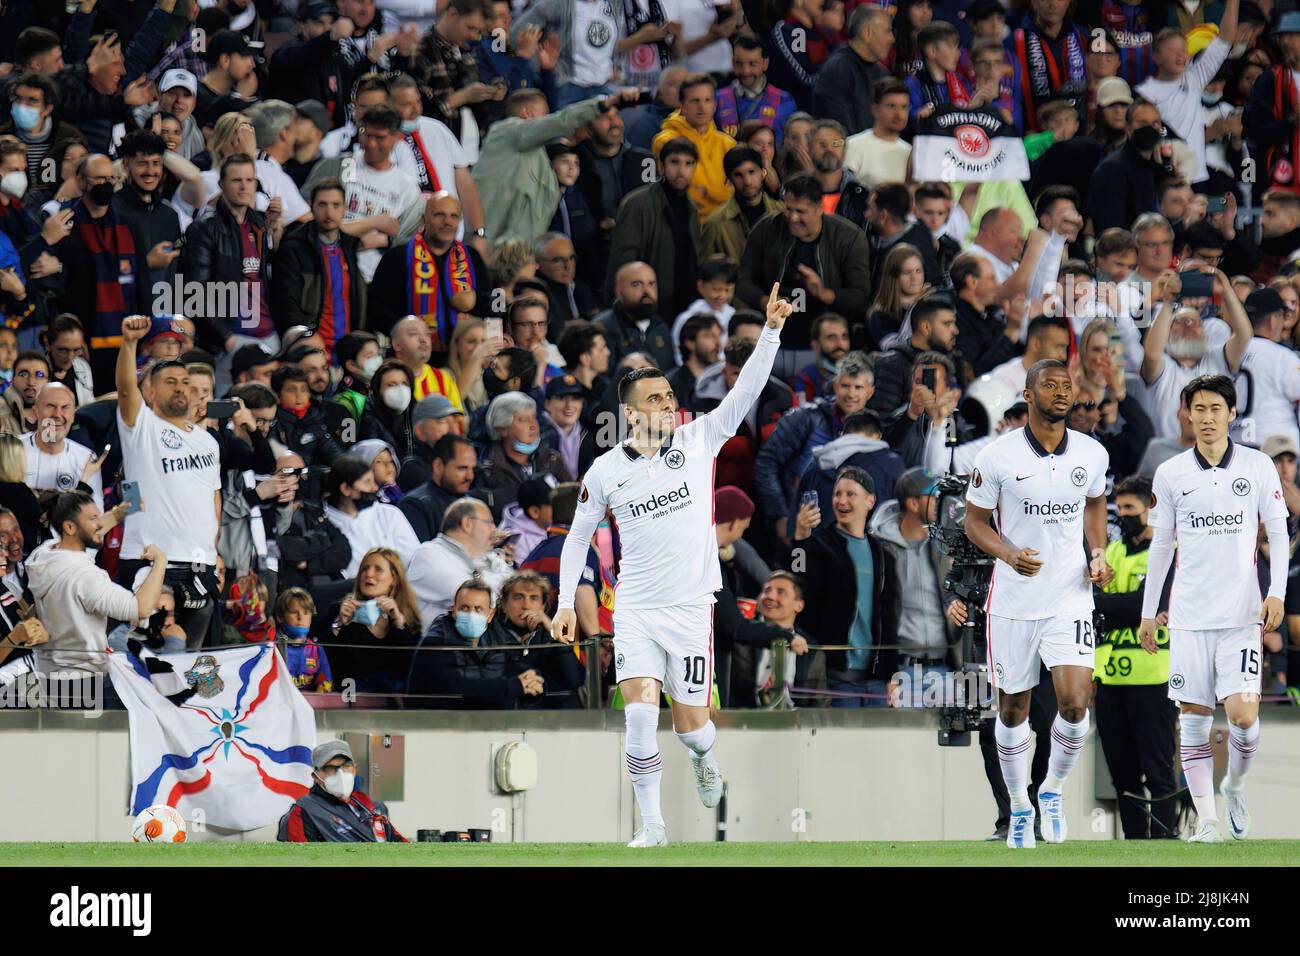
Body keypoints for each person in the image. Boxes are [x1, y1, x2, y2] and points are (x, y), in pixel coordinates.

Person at [551, 282, 794, 847]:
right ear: (631, 413)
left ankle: (705, 756)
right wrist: (565, 604)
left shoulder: (700, 437)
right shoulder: (606, 470)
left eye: (668, 395)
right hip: (634, 605)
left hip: (690, 608)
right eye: (656, 399)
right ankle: (652, 826)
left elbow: (747, 392)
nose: (669, 403)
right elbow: (575, 540)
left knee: (692, 729)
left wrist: (774, 331)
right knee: (638, 715)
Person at [964, 358, 1113, 848]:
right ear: (1028, 396)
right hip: (1011, 601)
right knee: (1012, 711)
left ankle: (1050, 790)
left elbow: (1094, 504)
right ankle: (1020, 806)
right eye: (1048, 386)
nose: (1060, 393)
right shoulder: (997, 457)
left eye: (1066, 386)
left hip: (1069, 597)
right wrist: (1008, 553)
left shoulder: (1091, 454)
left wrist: (1097, 554)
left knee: (1074, 702)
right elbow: (974, 522)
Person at [1139, 375, 1287, 843]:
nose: (1205, 417)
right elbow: (1161, 545)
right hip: (1188, 617)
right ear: (1187, 414)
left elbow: (1279, 533)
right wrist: (1149, 611)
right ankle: (1207, 820)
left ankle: (1235, 785)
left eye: (1214, 409)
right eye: (1197, 409)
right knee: (1194, 720)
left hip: (1242, 616)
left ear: (1230, 413)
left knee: (1243, 717)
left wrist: (1276, 591)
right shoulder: (1171, 473)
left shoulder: (1258, 466)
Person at [115, 316, 222, 650]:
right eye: (170, 381)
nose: (180, 388)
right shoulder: (142, 429)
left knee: (191, 672)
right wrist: (130, 343)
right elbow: (124, 390)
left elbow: (213, 500)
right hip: (152, 566)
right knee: (139, 665)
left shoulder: (209, 441)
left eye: (184, 382)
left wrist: (212, 551)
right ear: (150, 390)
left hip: (201, 567)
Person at [1092, 474, 1178, 840]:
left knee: (1158, 771)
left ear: (1150, 509)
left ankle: (1163, 846)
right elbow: (1099, 605)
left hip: (1153, 678)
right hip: (1110, 679)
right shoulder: (1112, 552)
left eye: (1130, 508)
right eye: (1120, 508)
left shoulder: (1168, 550)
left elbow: (1146, 603)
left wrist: (1105, 605)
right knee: (1122, 776)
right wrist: (1118, 608)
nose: (1123, 515)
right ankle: (1134, 848)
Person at [26, 491, 166, 704]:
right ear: (70, 527)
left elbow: (83, 538)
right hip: (86, 685)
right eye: (93, 519)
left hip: (49, 677)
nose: (100, 524)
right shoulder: (87, 578)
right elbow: (141, 608)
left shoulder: (43, 555)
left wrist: (118, 514)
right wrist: (160, 560)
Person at [476, 88, 640, 244]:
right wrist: (604, 103)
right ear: (526, 113)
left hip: (520, 250)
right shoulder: (505, 131)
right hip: (492, 243)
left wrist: (574, 142)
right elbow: (559, 122)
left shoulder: (535, 153)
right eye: (545, 114)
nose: (549, 119)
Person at [736, 173, 872, 344]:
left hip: (823, 345)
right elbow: (742, 282)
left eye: (800, 211)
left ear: (819, 208)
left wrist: (824, 294)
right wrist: (765, 302)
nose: (792, 218)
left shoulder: (849, 237)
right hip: (771, 337)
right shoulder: (766, 229)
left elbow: (860, 296)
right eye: (788, 209)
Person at [791, 466, 886, 706]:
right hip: (834, 675)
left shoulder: (880, 550)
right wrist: (800, 539)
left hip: (876, 678)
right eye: (837, 494)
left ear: (870, 500)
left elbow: (889, 609)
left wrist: (890, 669)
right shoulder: (820, 542)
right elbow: (797, 582)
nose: (841, 501)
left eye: (850, 494)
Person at [868, 467, 953, 707]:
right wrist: (886, 674)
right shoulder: (881, 550)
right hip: (902, 673)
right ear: (913, 504)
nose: (939, 502)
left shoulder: (946, 548)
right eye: (933, 496)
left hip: (946, 671)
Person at [1135, 0, 1238, 187]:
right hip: (1166, 182)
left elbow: (1227, 37)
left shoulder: (1194, 79)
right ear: (1157, 56)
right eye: (1173, 50)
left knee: (1219, 207)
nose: (1181, 55)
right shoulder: (1144, 95)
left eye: (1184, 50)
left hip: (1199, 179)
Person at [606, 139, 701, 316]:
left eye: (688, 163)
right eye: (674, 162)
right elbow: (624, 261)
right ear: (661, 164)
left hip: (683, 303)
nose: (681, 171)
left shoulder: (692, 209)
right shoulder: (637, 203)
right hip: (646, 305)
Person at [271, 179, 366, 350]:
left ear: (345, 208)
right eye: (322, 205)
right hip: (310, 349)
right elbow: (286, 303)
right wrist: (304, 339)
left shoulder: (349, 246)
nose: (329, 212)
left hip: (347, 348)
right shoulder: (294, 247)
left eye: (336, 205)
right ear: (311, 207)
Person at [408, 496, 513, 632]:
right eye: (489, 522)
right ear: (467, 523)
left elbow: (515, 589)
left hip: (484, 648)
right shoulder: (429, 555)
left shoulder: (489, 557)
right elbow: (472, 597)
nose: (494, 529)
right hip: (443, 649)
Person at [330, 546, 421, 694]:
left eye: (378, 569)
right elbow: (326, 661)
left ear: (394, 579)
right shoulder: (339, 611)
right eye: (365, 569)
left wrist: (399, 623)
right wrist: (339, 624)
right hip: (349, 700)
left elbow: (413, 666)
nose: (369, 574)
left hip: (394, 707)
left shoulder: (407, 620)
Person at [278, 739, 407, 842]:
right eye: (331, 768)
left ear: (354, 769)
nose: (341, 773)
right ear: (315, 776)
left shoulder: (372, 807)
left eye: (346, 766)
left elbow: (399, 846)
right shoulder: (304, 811)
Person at [651, 74, 736, 223]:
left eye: (707, 100)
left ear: (715, 105)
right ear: (682, 105)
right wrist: (718, 193)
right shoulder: (666, 141)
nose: (702, 107)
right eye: (695, 101)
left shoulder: (727, 143)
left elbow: (738, 192)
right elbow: (684, 193)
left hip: (725, 225)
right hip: (683, 225)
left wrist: (705, 191)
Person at [474, 391, 572, 520]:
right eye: (523, 420)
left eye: (534, 417)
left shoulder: (552, 459)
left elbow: (572, 502)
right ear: (502, 429)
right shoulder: (487, 471)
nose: (533, 425)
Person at [811, 5, 891, 136]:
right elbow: (838, 133)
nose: (892, 38)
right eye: (887, 31)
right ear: (867, 33)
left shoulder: (882, 73)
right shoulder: (838, 69)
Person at [22, 382, 104, 510]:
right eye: (50, 406)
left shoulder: (86, 459)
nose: (57, 414)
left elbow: (95, 515)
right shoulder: (10, 450)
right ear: (35, 412)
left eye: (65, 407)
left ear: (73, 415)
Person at [700, 146, 783, 265]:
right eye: (738, 175)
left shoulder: (782, 213)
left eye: (751, 172)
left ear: (763, 172)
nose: (747, 181)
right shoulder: (716, 223)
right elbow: (705, 270)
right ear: (729, 179)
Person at [713, 35, 797, 143]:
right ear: (733, 63)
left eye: (752, 64)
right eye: (739, 64)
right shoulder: (717, 98)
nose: (745, 71)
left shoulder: (783, 100)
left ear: (765, 64)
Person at [595, 262, 676, 371]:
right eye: (636, 284)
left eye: (651, 284)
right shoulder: (602, 328)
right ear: (618, 290)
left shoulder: (660, 327)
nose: (647, 291)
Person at [843, 78, 912, 191]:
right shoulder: (853, 145)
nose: (899, 114)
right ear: (875, 109)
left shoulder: (910, 152)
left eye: (904, 107)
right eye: (891, 106)